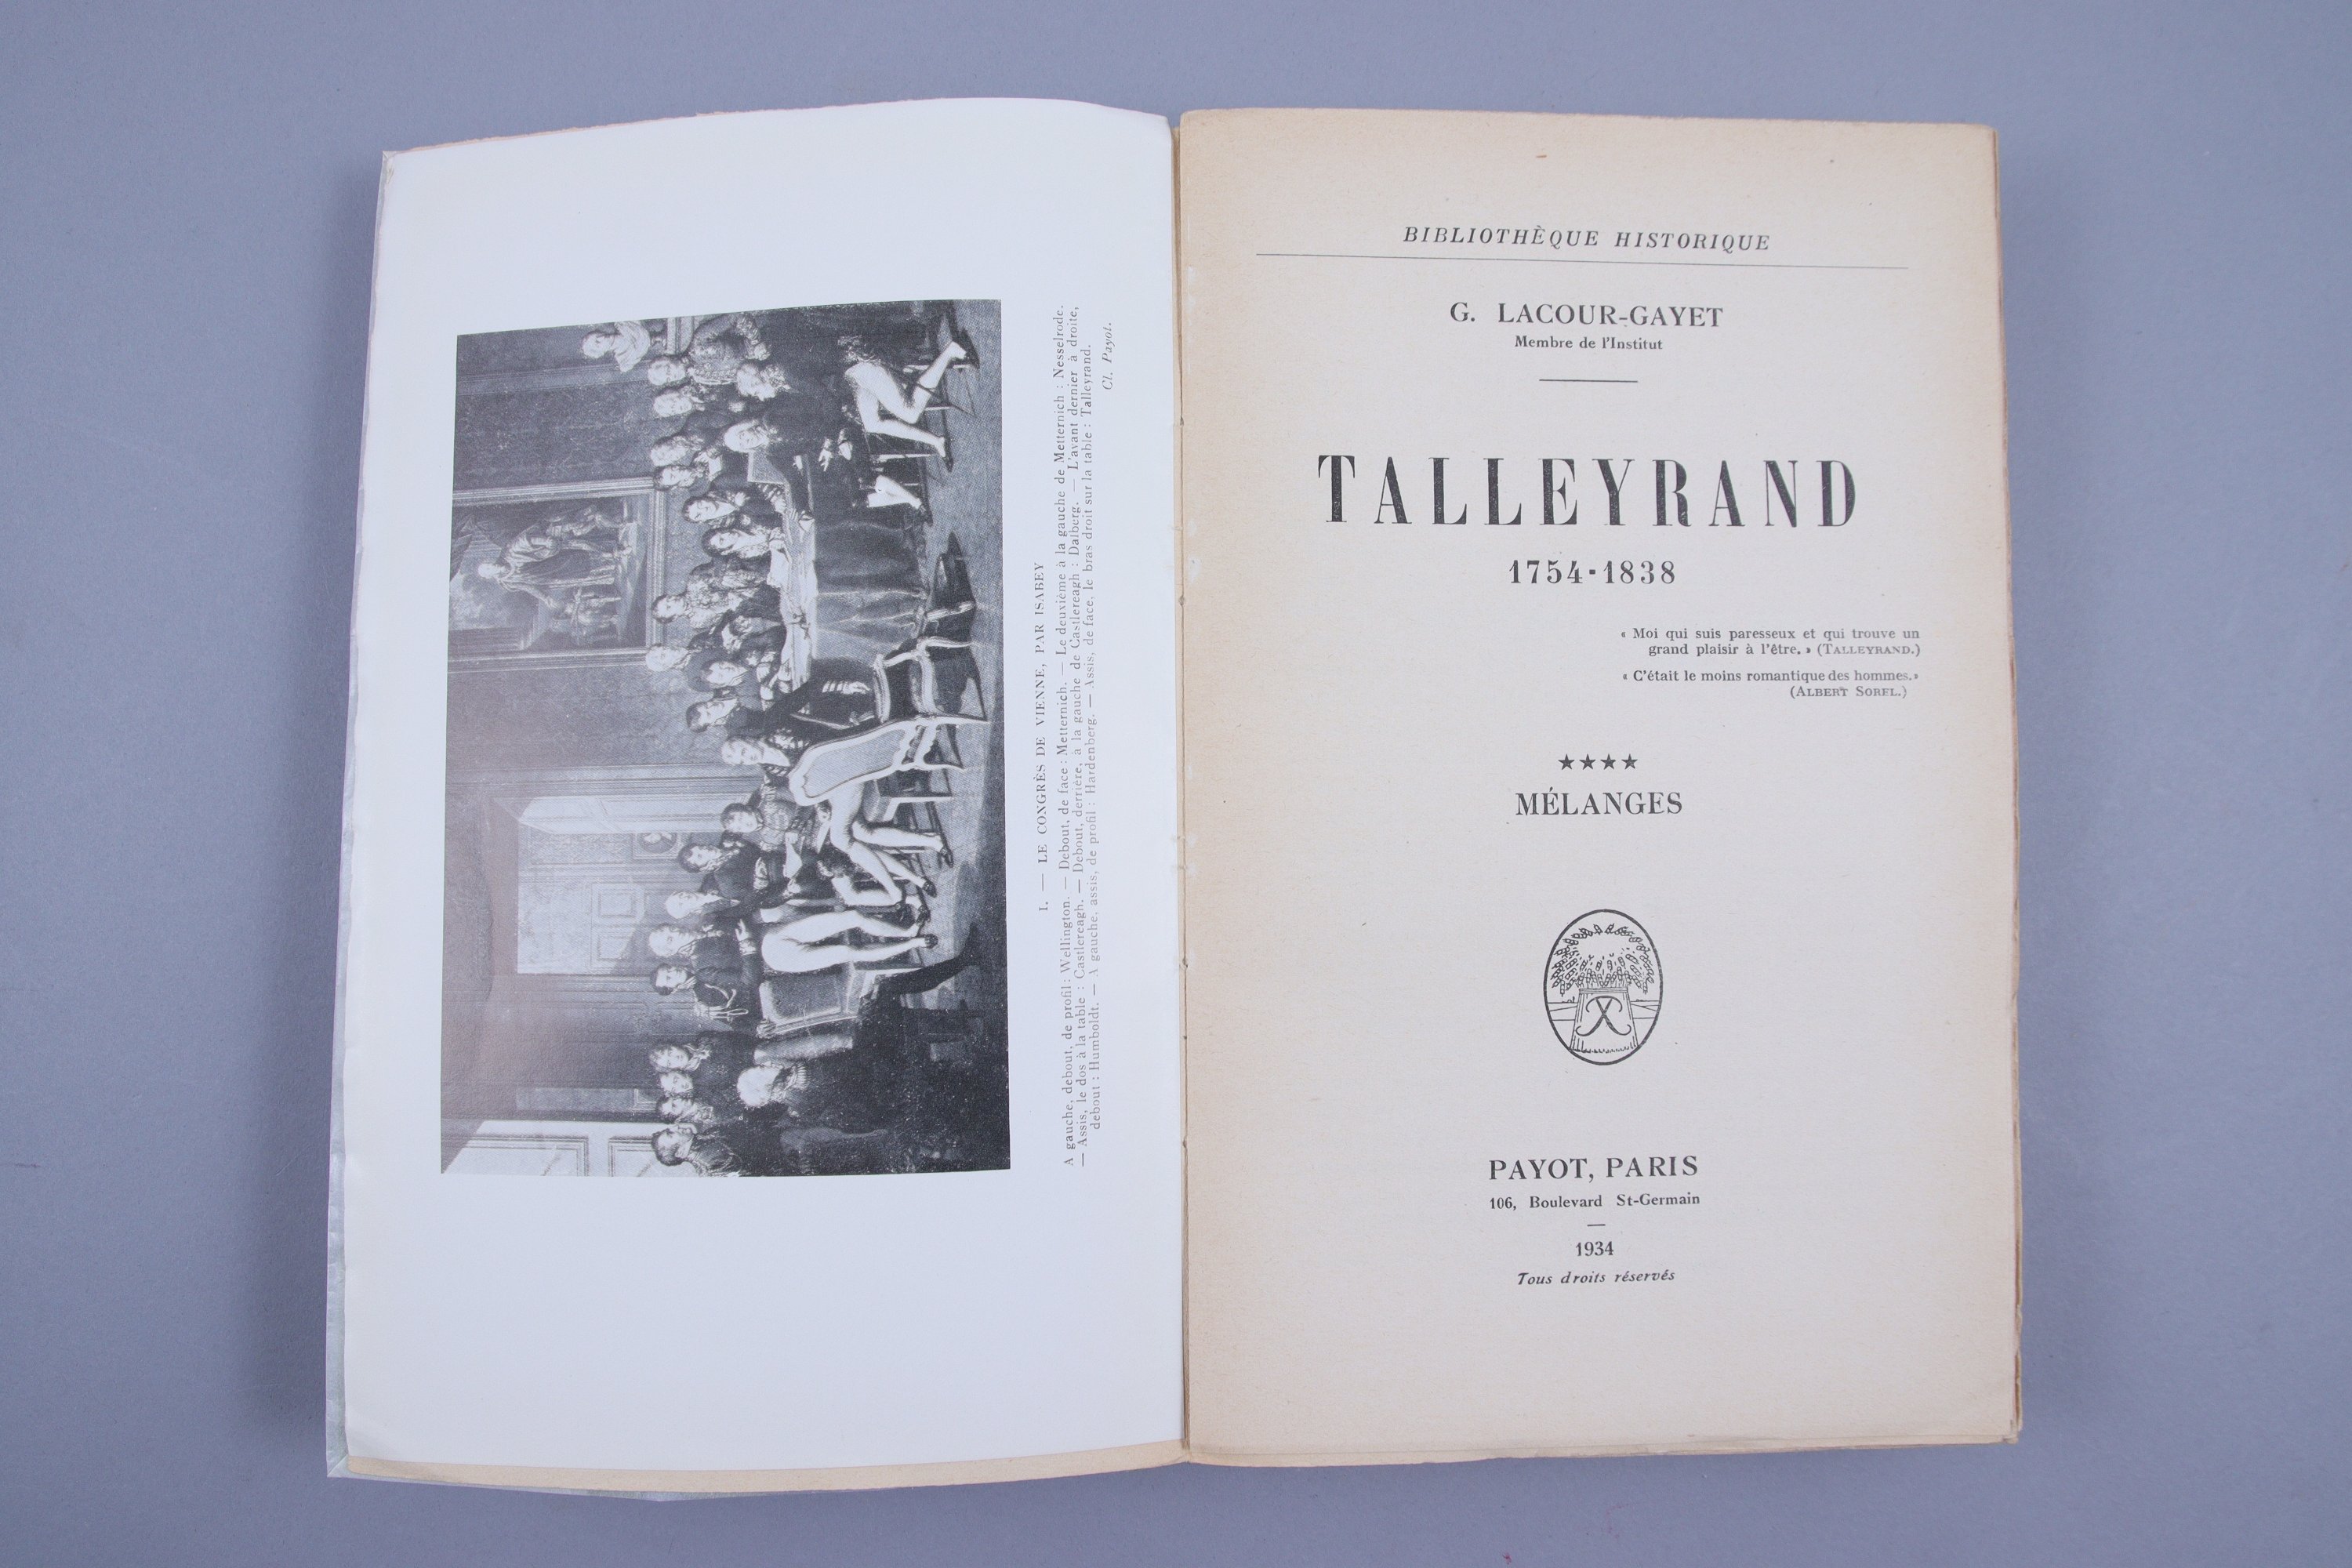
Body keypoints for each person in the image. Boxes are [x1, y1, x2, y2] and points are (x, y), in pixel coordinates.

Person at [842, 336, 969, 456]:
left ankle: (950, 351)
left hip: (855, 361)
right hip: (851, 375)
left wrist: (836, 440)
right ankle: (936, 441)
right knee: (871, 424)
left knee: (911, 413)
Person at [757, 908, 930, 974]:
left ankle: (908, 932)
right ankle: (914, 943)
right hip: (774, 957)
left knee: (852, 917)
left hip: (772, 933)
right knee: (848, 952)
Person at [581, 321, 652, 373]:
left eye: (599, 335)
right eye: (598, 342)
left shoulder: (622, 323)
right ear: (601, 353)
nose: (602, 337)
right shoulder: (624, 362)